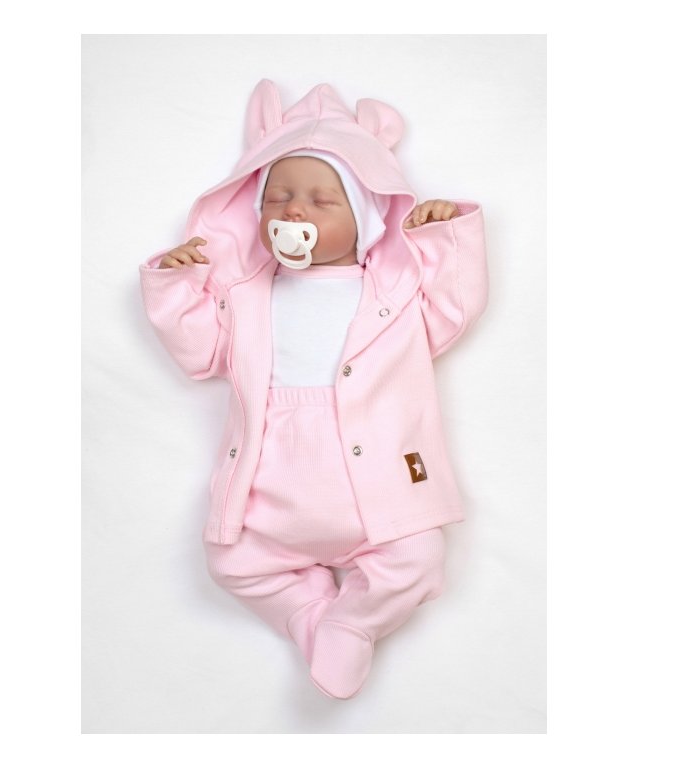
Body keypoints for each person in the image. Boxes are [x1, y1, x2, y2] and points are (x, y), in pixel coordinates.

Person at [139, 80, 489, 699]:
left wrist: (442, 236)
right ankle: (309, 615)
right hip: (271, 490)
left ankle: (354, 622)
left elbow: (454, 307)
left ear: (366, 222)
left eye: (323, 200)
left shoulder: (392, 294)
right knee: (230, 561)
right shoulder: (246, 296)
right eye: (278, 198)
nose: (294, 212)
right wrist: (178, 286)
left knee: (418, 560)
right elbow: (201, 355)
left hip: (381, 491)